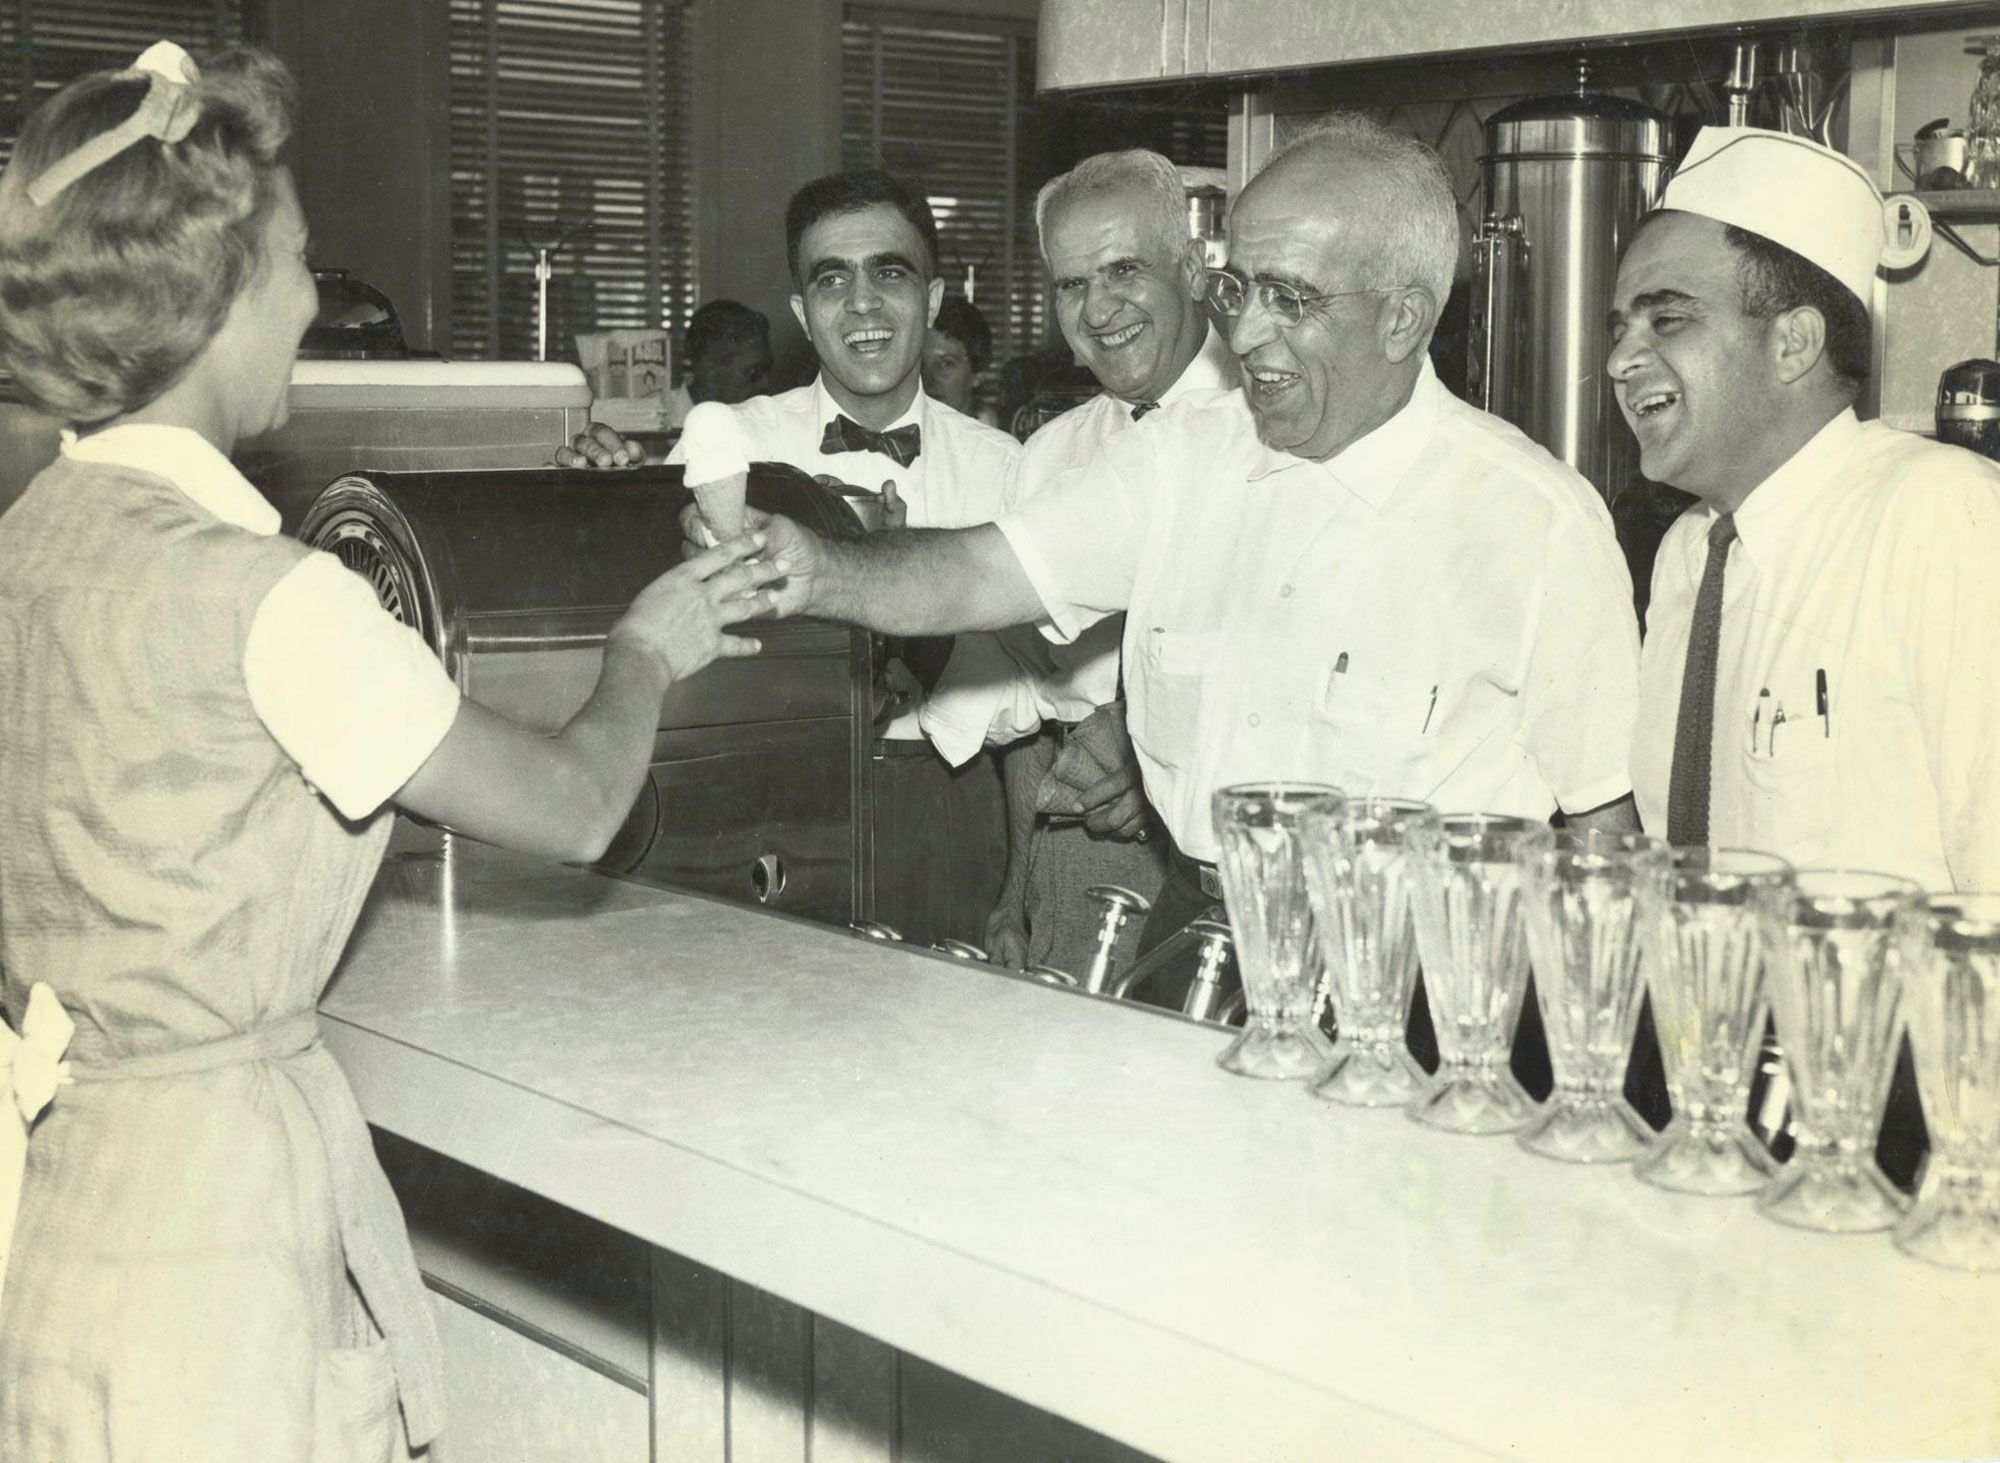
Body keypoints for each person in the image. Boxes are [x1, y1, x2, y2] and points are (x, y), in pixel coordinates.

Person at [0, 45, 780, 1461]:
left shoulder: (28, 541)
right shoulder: (270, 595)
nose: (311, 297)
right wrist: (646, 650)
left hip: (65, 1203)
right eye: (294, 261)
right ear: (214, 296)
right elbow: (579, 804)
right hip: (215, 1239)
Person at [693, 115, 1643, 1004]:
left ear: (1403, 319)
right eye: (1240, 289)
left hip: (1420, 981)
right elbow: (987, 570)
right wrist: (817, 567)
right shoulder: (1186, 455)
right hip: (1197, 938)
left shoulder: (1537, 525)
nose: (1248, 331)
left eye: (1291, 298)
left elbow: (1607, 842)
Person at [1610, 125, 2000, 1183]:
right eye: (1618, 324)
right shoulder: (1688, 555)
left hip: (1908, 1126)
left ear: (1791, 343)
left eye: (1666, 318)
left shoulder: (1946, 520)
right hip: (1703, 1106)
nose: (1619, 357)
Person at [566, 170, 1022, 947]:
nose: (863, 304)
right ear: (802, 315)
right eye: (831, 279)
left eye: (890, 272)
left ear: (935, 298)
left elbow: (1039, 705)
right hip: (760, 809)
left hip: (940, 810)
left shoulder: (1007, 468)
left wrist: (1014, 898)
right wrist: (601, 507)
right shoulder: (727, 441)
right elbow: (650, 625)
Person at [921, 148, 1233, 979]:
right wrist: (1018, 893)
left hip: (1215, 866)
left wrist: (1165, 744)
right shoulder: (1051, 456)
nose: (1099, 308)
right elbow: (1026, 711)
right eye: (1070, 283)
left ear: (1194, 268)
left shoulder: (1271, 426)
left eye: (1124, 268)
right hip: (1075, 858)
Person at [664, 298, 773, 429]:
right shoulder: (655, 423)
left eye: (767, 368)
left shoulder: (765, 422)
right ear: (710, 368)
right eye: (754, 372)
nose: (766, 384)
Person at [921, 295, 994, 421]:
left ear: (978, 374)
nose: (928, 380)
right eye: (920, 364)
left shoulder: (997, 439)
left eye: (946, 364)